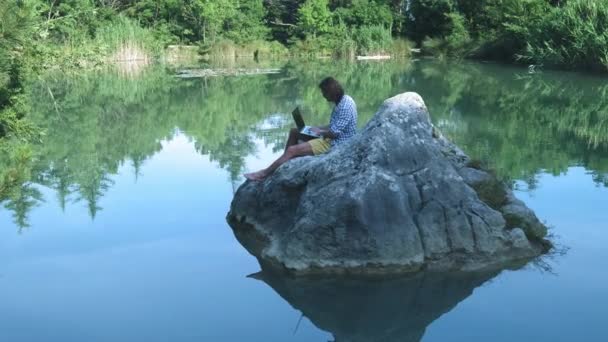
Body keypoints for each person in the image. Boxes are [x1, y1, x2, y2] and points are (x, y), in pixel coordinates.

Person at [244, 77, 357, 181]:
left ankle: (263, 174)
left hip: (335, 143)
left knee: (292, 150)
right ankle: (284, 164)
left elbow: (335, 134)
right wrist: (317, 128)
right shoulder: (343, 101)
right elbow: (335, 125)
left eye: (324, 92)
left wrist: (321, 132)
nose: (323, 95)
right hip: (332, 137)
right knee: (295, 132)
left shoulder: (345, 106)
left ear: (331, 92)